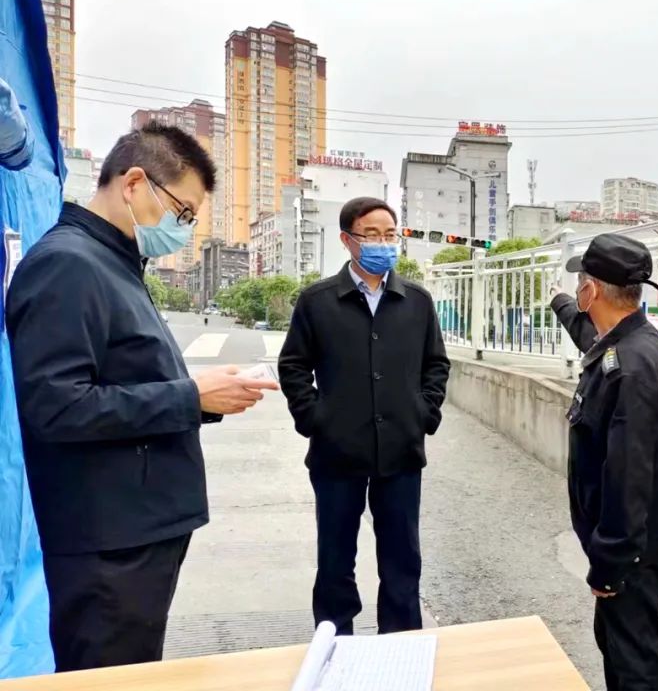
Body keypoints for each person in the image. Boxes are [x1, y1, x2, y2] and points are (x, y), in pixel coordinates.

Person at [5, 122, 278, 672]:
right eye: (182, 212)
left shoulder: (113, 262)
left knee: (133, 670)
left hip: (136, 531)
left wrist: (203, 395)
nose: (184, 230)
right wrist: (190, 396)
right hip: (109, 544)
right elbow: (58, 407)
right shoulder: (68, 264)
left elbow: (125, 377)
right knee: (108, 675)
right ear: (133, 183)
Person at [279, 197, 450, 635]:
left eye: (390, 235)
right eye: (371, 235)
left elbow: (436, 364)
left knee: (402, 561)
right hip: (337, 454)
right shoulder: (318, 301)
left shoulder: (416, 301)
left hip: (401, 452)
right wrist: (315, 419)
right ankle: (336, 647)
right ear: (347, 240)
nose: (383, 243)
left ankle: (401, 647)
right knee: (335, 561)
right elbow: (293, 365)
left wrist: (424, 414)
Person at [552, 234, 658, 691]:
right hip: (629, 549)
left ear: (593, 290)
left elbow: (628, 474)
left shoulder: (630, 365)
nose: (578, 291)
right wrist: (559, 303)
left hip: (629, 555)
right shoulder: (629, 343)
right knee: (619, 648)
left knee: (634, 666)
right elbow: (588, 334)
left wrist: (609, 561)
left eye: (580, 283)